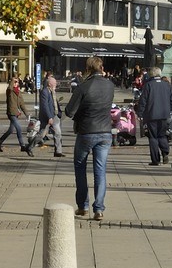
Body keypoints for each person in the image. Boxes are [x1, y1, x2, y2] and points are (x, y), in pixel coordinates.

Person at [64, 56, 115, 220]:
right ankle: (99, 209)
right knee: (100, 171)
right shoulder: (110, 86)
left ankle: (83, 206)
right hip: (105, 132)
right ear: (101, 68)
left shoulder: (83, 87)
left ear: (88, 68)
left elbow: (69, 111)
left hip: (86, 132)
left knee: (80, 168)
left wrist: (80, 114)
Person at [134, 67, 172, 166]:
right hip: (164, 114)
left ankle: (155, 159)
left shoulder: (148, 85)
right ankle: (165, 152)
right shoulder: (167, 85)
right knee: (162, 134)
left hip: (151, 114)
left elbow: (143, 100)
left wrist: (140, 113)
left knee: (153, 137)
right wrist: (168, 108)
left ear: (151, 74)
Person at [30, 74, 65, 157]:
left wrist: (58, 113)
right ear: (50, 84)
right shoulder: (45, 92)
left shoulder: (53, 91)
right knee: (41, 134)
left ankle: (58, 151)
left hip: (55, 115)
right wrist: (49, 117)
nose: (56, 84)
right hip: (47, 117)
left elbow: (54, 103)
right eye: (54, 83)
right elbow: (45, 106)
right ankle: (29, 147)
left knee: (58, 133)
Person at [0, 77, 33, 155]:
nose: (16, 83)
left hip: (16, 113)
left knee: (10, 130)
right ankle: (22, 146)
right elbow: (10, 87)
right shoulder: (9, 91)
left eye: (17, 82)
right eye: (15, 82)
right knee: (19, 128)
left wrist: (26, 113)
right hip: (11, 113)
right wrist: (12, 81)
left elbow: (22, 104)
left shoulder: (18, 92)